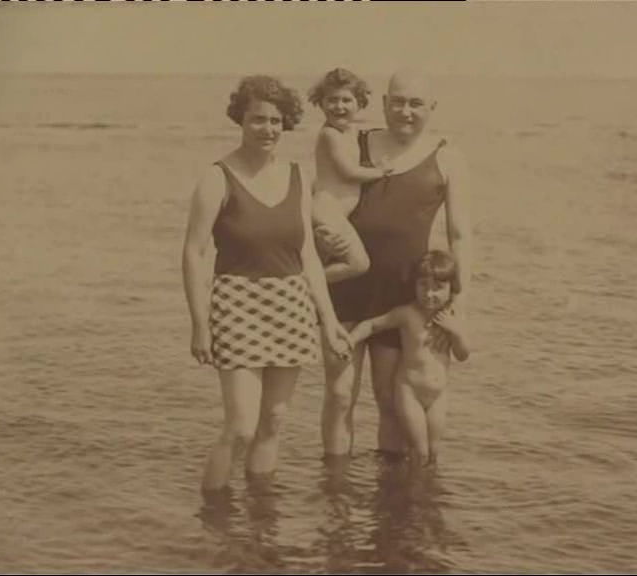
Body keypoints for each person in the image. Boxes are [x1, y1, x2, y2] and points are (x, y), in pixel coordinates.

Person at [182, 75, 350, 503]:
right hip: (236, 304)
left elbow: (308, 255)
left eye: (276, 121)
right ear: (241, 119)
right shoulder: (217, 178)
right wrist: (200, 324)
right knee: (240, 427)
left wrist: (329, 321)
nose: (268, 128)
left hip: (290, 304)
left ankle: (260, 517)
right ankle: (213, 516)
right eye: (258, 119)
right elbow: (194, 254)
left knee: (273, 421)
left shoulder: (297, 176)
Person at [321, 69, 472, 459]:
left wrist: (460, 300)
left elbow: (459, 235)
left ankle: (391, 490)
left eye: (416, 103)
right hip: (347, 289)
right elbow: (324, 204)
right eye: (398, 102)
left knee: (390, 399)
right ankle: (334, 489)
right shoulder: (354, 142)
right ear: (385, 103)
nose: (406, 111)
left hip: (402, 296)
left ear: (432, 107)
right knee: (340, 395)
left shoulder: (448, 157)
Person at [348, 250, 469, 465]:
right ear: (414, 285)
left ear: (451, 289)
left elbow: (462, 355)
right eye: (423, 286)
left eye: (438, 288)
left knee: (433, 451)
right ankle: (409, 485)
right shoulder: (407, 314)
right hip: (410, 392)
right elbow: (373, 325)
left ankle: (422, 486)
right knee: (419, 451)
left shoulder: (451, 319)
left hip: (438, 395)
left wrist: (456, 332)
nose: (429, 294)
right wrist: (350, 340)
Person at [308, 68, 393, 284]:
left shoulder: (350, 131)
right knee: (359, 263)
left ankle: (307, 286)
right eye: (332, 100)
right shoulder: (329, 135)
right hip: (327, 213)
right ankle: (305, 285)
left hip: (334, 215)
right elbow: (348, 172)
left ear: (359, 103)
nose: (339, 106)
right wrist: (380, 171)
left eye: (346, 100)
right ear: (321, 103)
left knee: (316, 262)